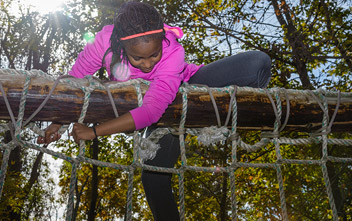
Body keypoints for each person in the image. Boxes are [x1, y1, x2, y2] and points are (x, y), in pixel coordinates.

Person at [37, 1, 271, 220]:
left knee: (257, 64)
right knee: (153, 178)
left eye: (153, 55)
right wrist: (57, 123)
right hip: (145, 111)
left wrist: (94, 132)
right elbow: (74, 83)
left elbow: (152, 110)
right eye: (137, 58)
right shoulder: (104, 41)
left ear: (162, 42)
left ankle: (208, 117)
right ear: (120, 44)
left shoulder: (172, 50)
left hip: (185, 89)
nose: (148, 64)